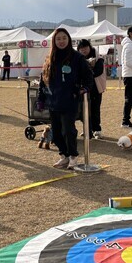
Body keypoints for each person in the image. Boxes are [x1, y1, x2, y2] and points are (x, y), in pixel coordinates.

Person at [37, 28, 92, 169]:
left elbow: (88, 76)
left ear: (69, 40)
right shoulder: (50, 58)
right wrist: (41, 98)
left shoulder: (77, 58)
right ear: (54, 41)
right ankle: (64, 156)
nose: (61, 41)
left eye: (64, 38)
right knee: (55, 133)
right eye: (58, 39)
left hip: (70, 100)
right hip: (53, 101)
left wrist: (83, 89)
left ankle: (73, 156)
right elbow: (43, 79)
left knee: (68, 130)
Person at [77, 39, 105, 139]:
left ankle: (97, 129)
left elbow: (98, 71)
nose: (84, 50)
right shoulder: (78, 59)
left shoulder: (98, 58)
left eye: (85, 48)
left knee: (95, 108)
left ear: (90, 47)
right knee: (84, 110)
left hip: (96, 87)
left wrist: (87, 73)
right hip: (84, 88)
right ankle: (87, 130)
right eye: (81, 49)